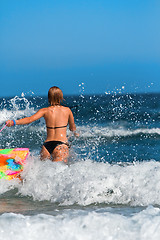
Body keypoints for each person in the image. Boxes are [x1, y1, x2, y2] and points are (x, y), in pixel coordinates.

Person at [6, 86, 78, 163]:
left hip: (46, 147)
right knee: (60, 171)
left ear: (49, 98)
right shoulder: (67, 110)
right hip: (61, 146)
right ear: (61, 97)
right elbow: (72, 128)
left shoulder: (44, 111)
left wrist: (13, 122)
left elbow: (29, 119)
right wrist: (75, 134)